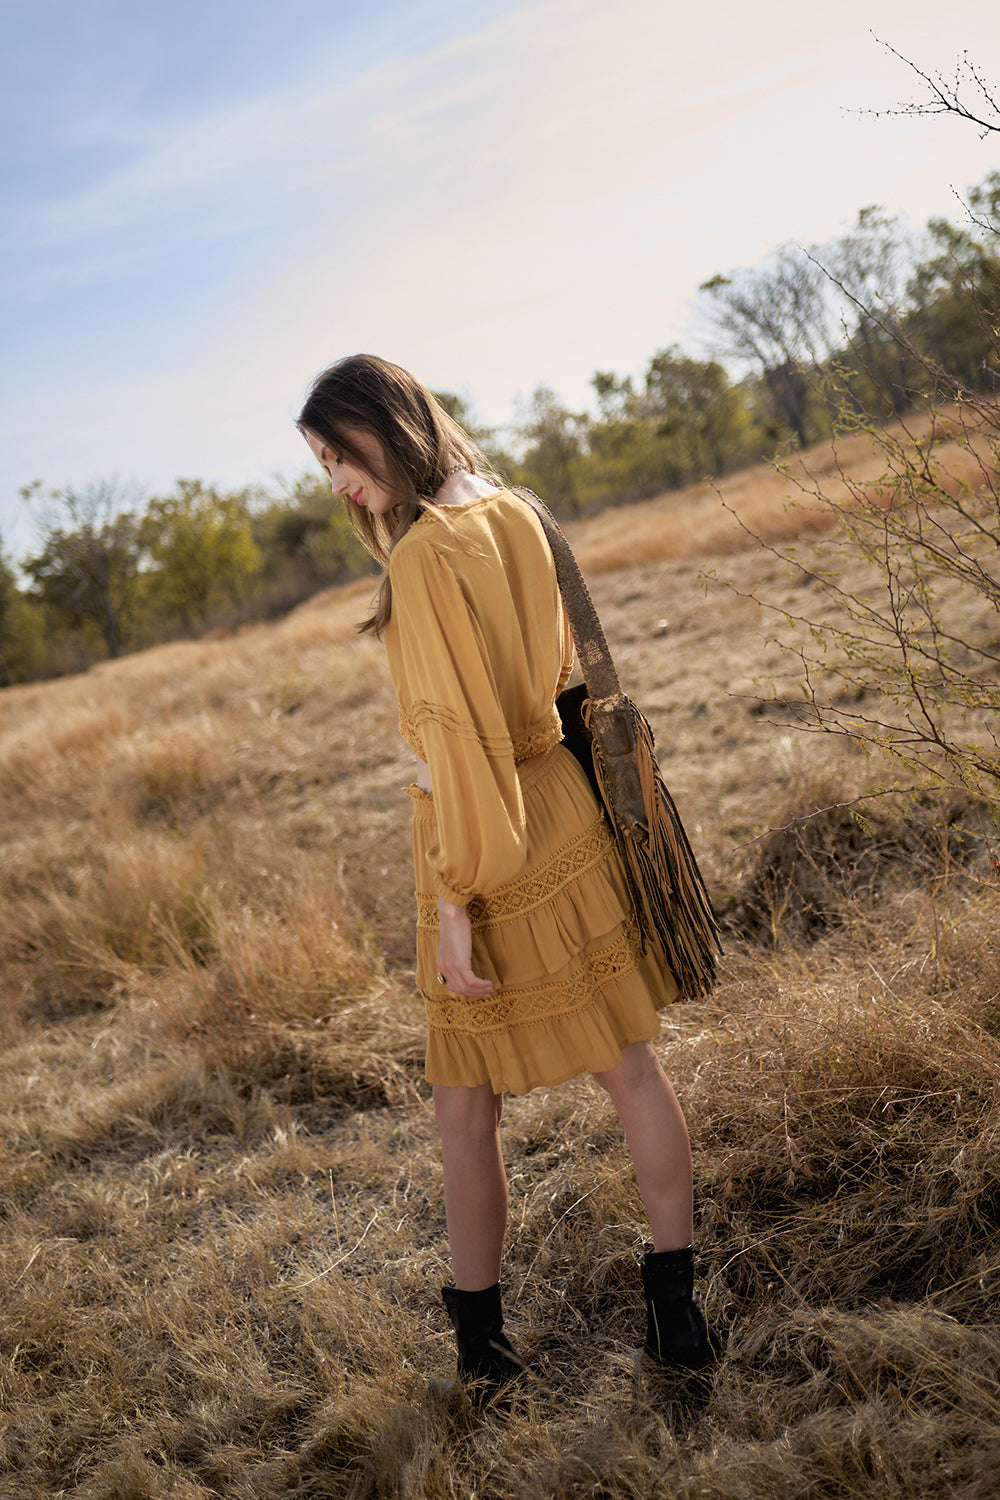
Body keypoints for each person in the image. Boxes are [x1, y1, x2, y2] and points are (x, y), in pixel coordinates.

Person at [297, 354, 718, 1397]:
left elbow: (459, 749)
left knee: (461, 1105)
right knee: (628, 1066)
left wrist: (453, 906)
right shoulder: (516, 510)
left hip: (489, 838)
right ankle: (676, 1309)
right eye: (320, 467)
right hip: (565, 810)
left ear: (384, 428)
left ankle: (482, 1349)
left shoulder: (428, 558)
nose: (337, 485)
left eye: (338, 457)